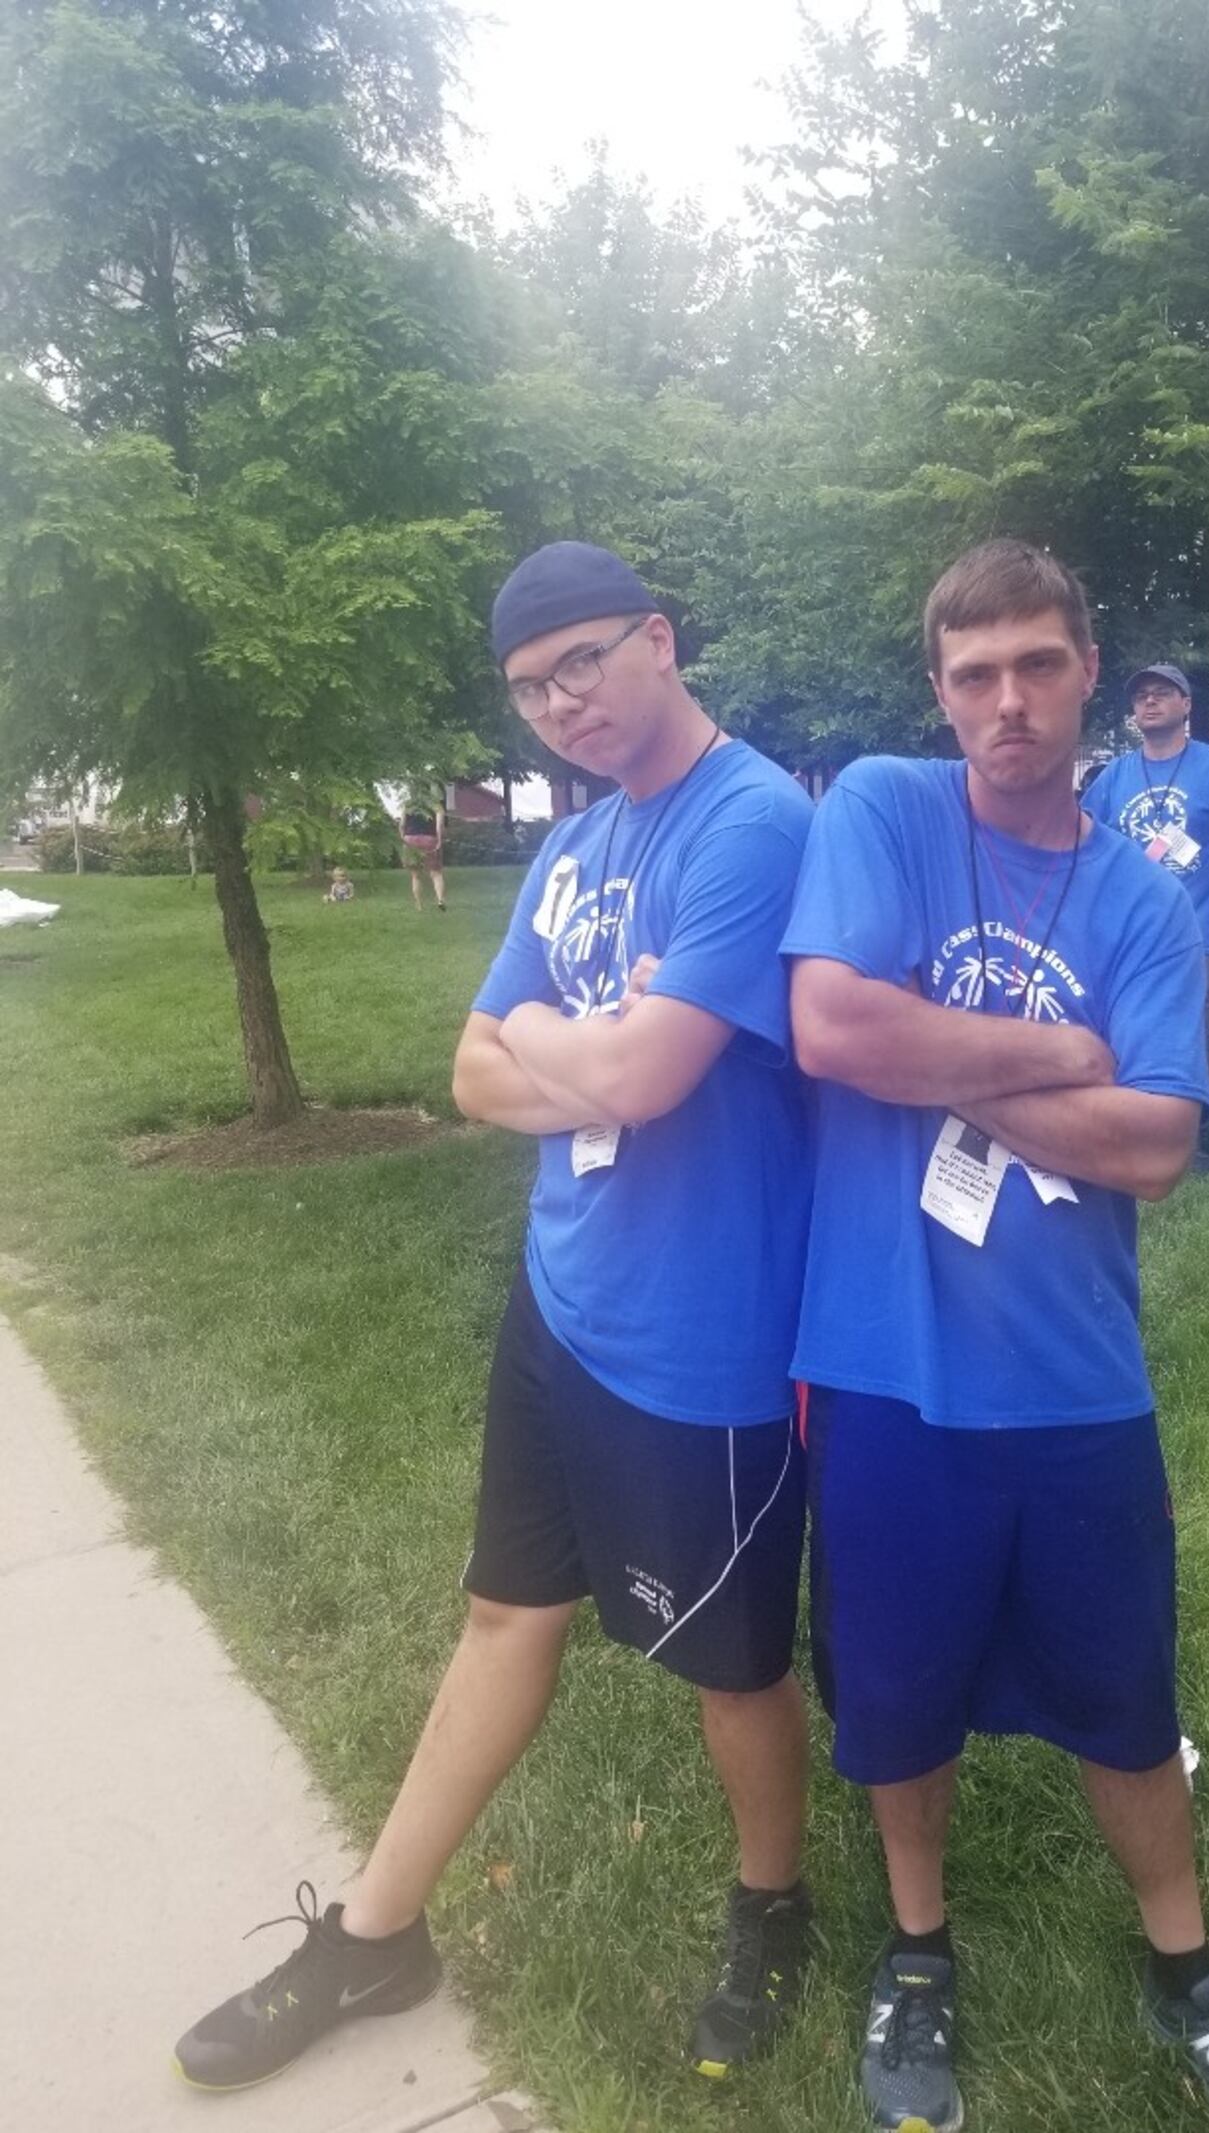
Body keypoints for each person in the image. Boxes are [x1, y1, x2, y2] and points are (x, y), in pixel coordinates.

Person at [174, 542, 815, 2093]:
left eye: (584, 662)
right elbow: (474, 1076)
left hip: (704, 1337)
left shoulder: (756, 820)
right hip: (564, 1295)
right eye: (530, 686)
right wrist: (572, 1035)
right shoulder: (574, 851)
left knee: (731, 1665)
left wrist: (555, 1035)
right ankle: (379, 1934)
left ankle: (773, 1907)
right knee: (503, 1614)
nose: (560, 703)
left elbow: (647, 1080)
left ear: (661, 639)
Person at [783, 539, 1209, 2133]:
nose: (1006, 701)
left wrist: (932, 1061)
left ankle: (1191, 1971)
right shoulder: (886, 808)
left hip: (1076, 1374)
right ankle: (916, 1949)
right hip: (882, 1363)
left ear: (1090, 671)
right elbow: (832, 1025)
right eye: (974, 674)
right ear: (938, 691)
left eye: (1036, 664)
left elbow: (1158, 1143)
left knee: (1121, 1687)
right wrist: (1052, 1053)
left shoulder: (1143, 900)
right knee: (894, 1694)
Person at [1087, 665, 1209, 1172]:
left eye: (1162, 694)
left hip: (1199, 937)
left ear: (1186, 705)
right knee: (1125, 1035)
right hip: (1129, 939)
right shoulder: (1113, 777)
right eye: (1141, 696)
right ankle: (1143, 1125)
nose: (1150, 703)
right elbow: (1084, 849)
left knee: (1201, 1040)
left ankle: (1208, 1120)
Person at [399, 793, 447, 910]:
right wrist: (439, 841)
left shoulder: (408, 804)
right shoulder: (436, 804)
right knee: (436, 873)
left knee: (415, 875)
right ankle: (440, 900)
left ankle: (419, 905)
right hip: (429, 839)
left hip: (410, 839)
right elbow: (439, 826)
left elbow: (402, 824)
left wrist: (403, 838)